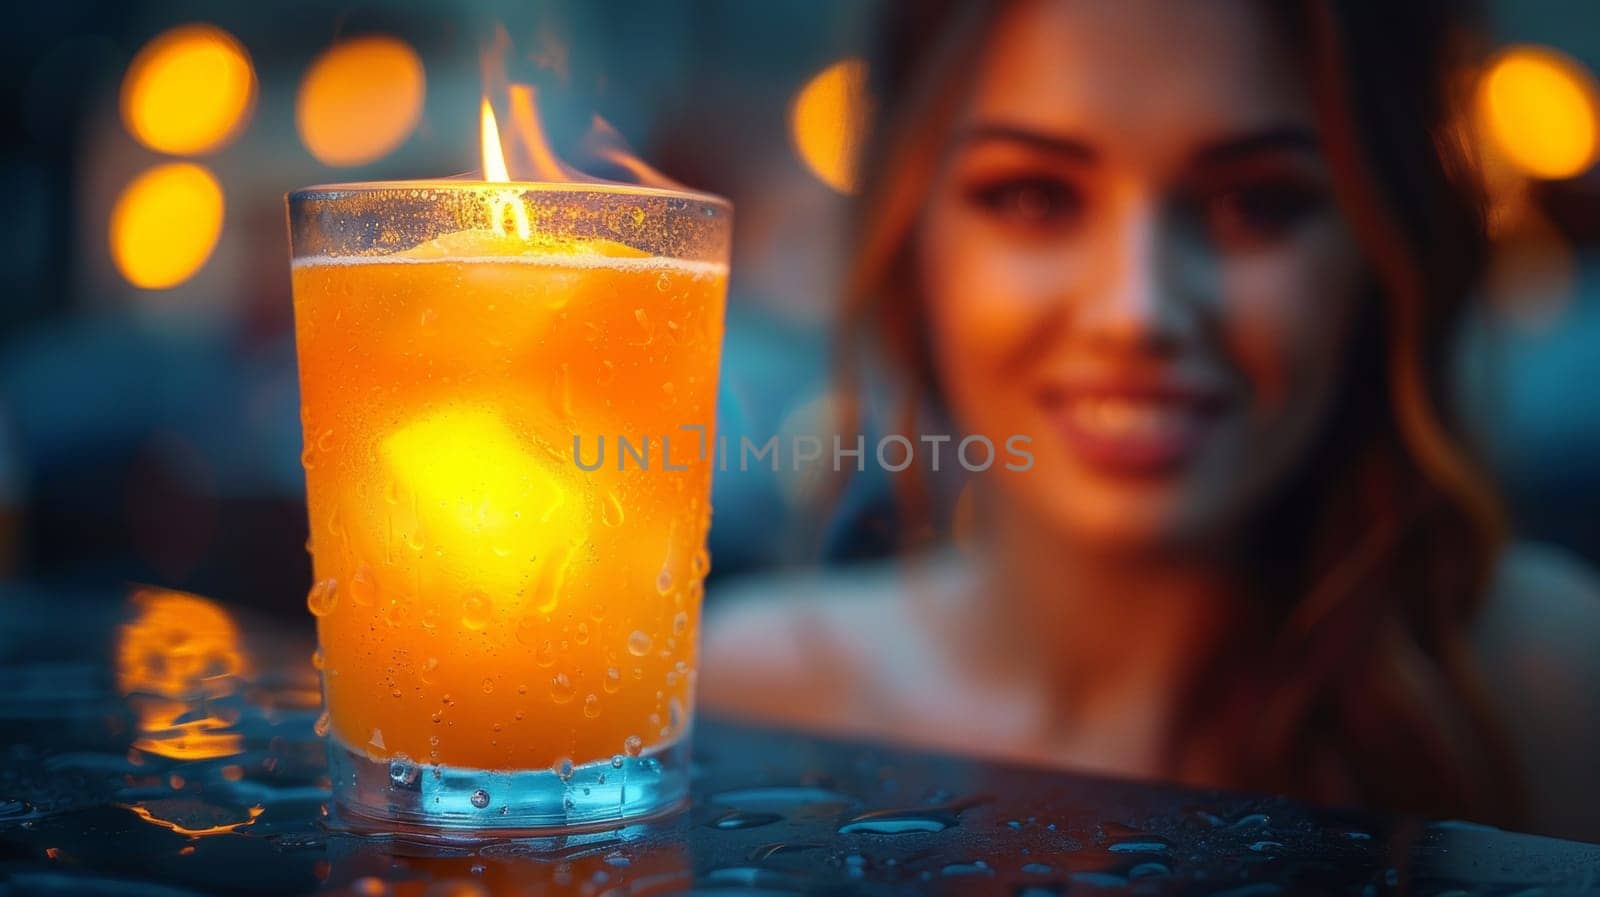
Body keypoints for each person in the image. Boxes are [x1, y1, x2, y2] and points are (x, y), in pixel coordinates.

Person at [700, 0, 1600, 842]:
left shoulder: (1546, 690)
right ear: (911, 236)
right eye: (1032, 196)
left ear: (1385, 246)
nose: (1138, 309)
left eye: (1257, 203)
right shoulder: (750, 696)